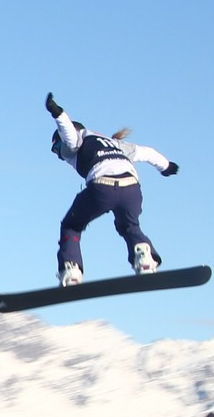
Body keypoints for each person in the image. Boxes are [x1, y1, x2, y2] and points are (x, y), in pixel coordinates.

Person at [45, 92, 179, 287]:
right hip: (132, 189)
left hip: (102, 188)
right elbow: (147, 153)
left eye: (57, 148)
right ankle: (145, 260)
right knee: (130, 226)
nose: (59, 154)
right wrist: (166, 167)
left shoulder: (77, 140)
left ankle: (71, 270)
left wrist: (57, 114)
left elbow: (68, 134)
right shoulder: (115, 143)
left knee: (71, 226)